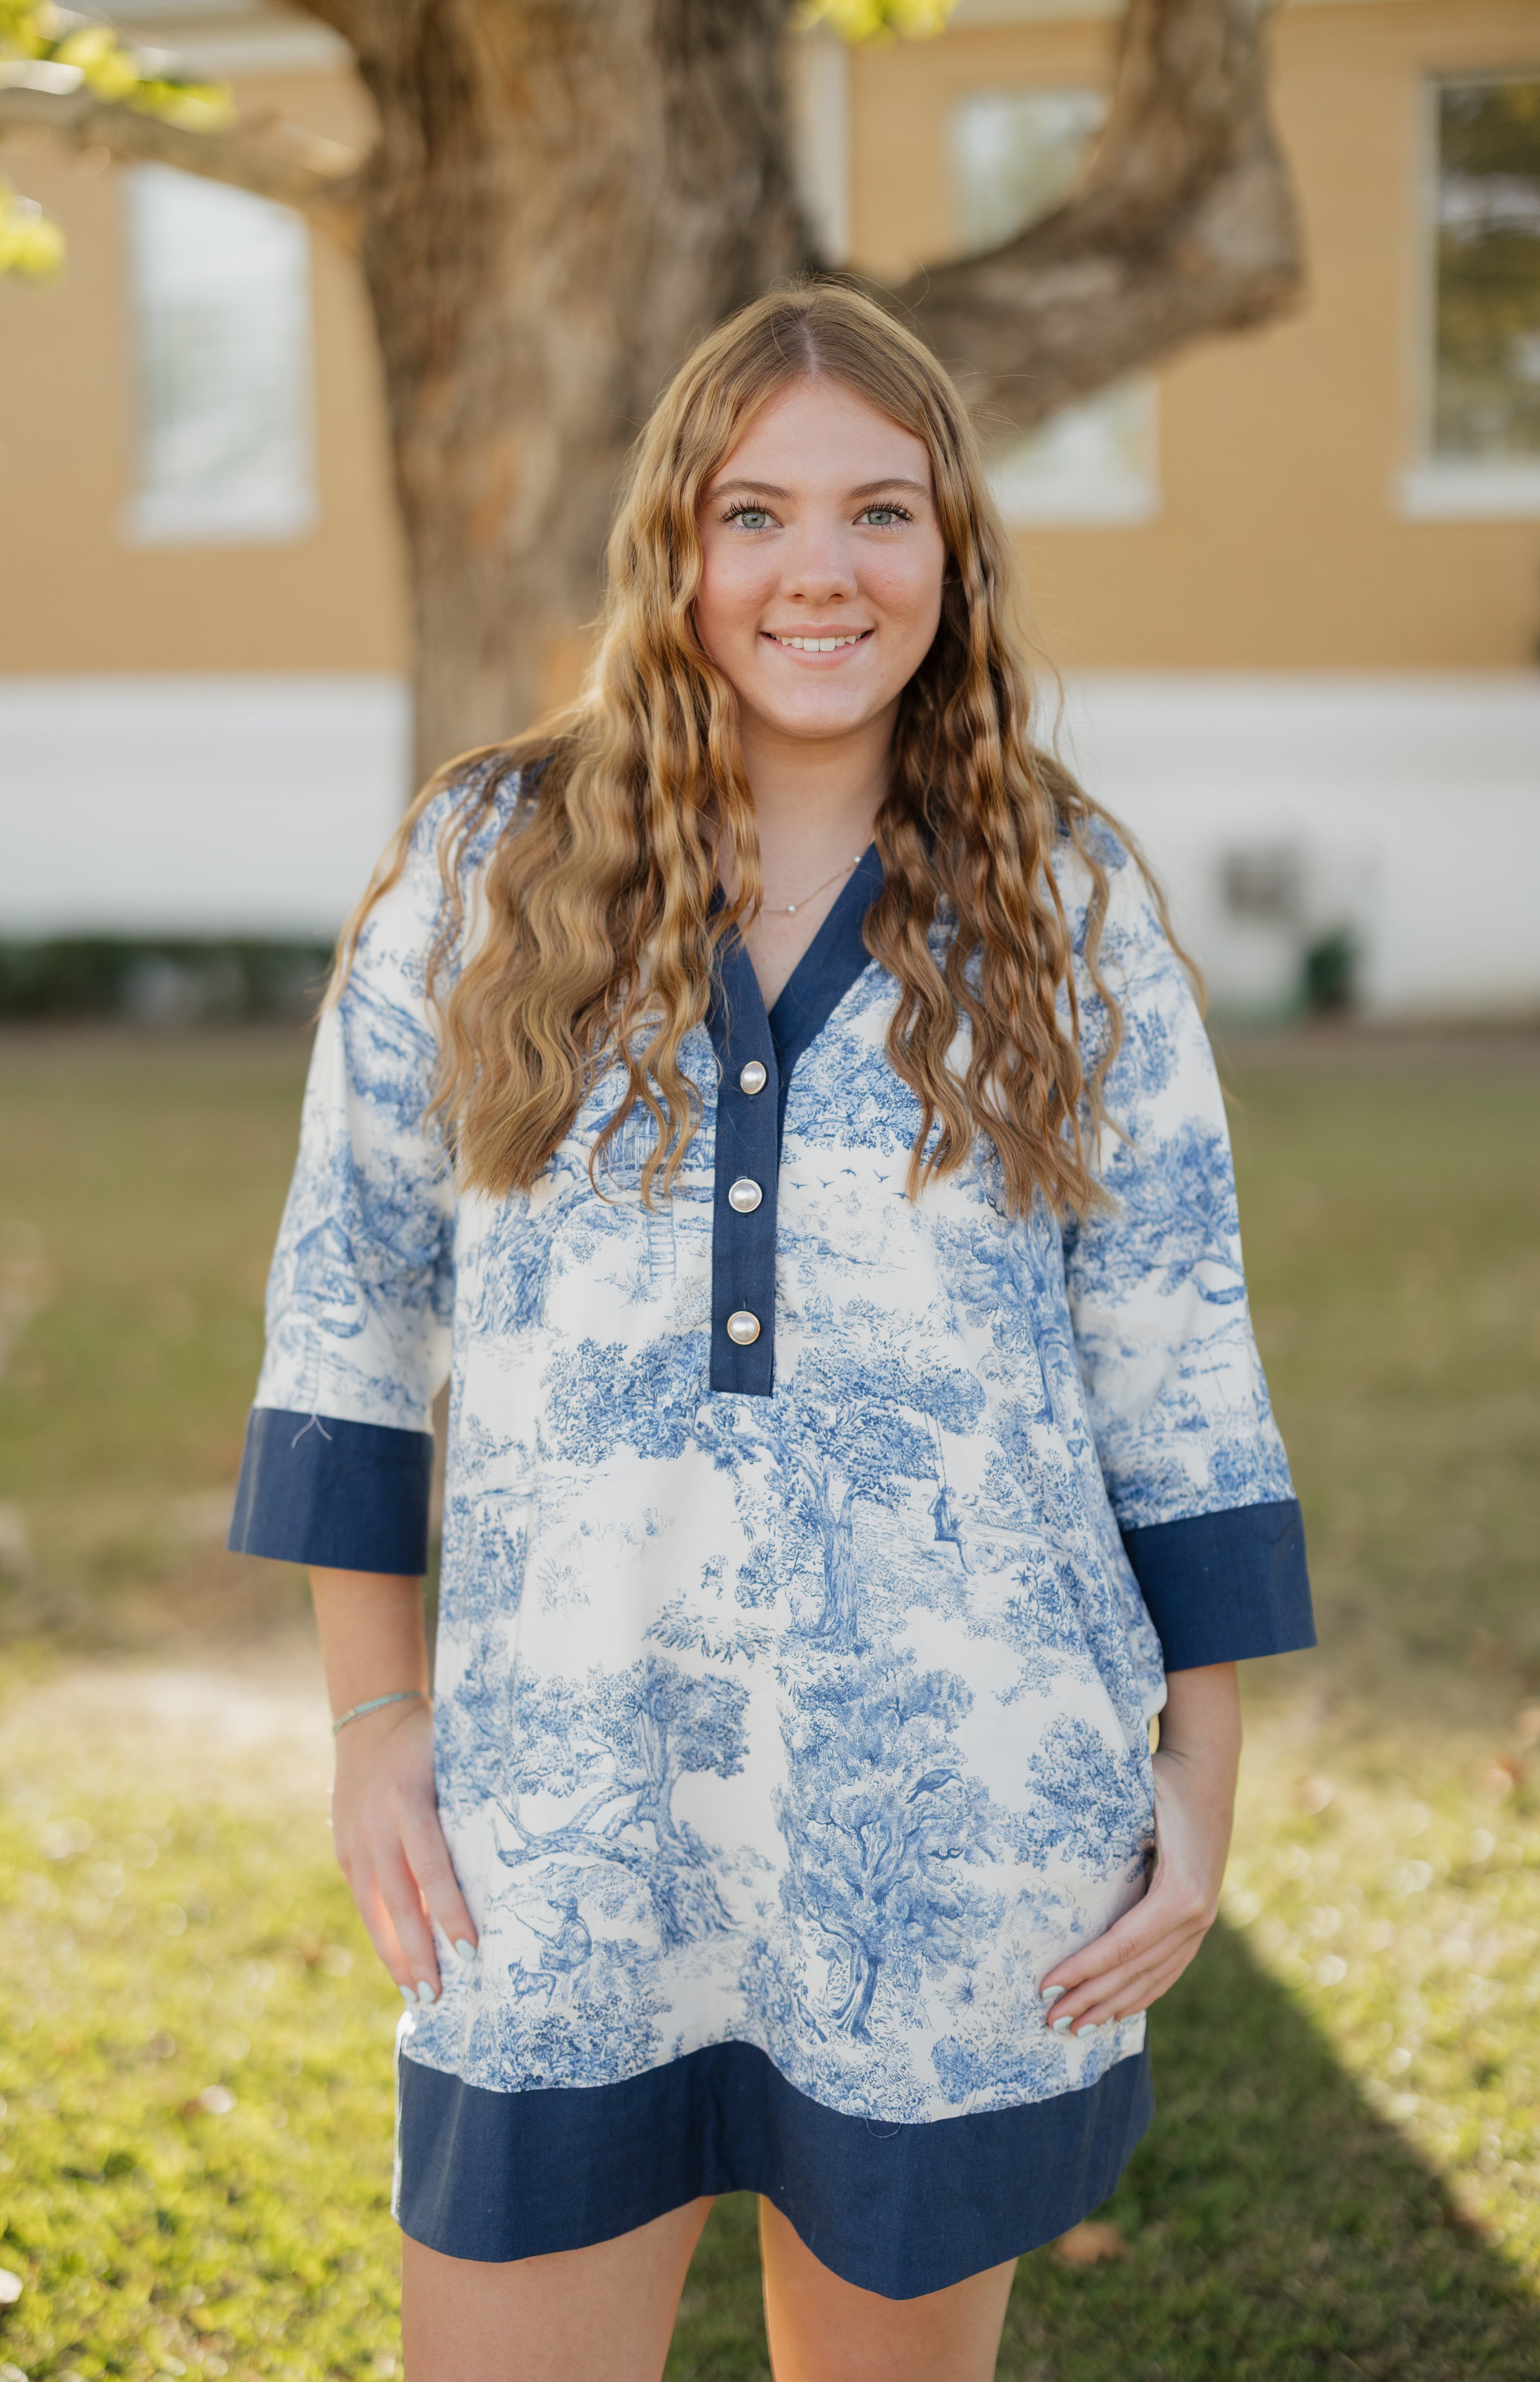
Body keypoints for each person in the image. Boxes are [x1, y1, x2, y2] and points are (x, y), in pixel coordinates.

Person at [229, 283, 1314, 2382]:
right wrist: (376, 1730)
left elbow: (1177, 1373)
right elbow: (349, 1317)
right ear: (677, 552)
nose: (821, 569)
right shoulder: (483, 874)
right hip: (558, 1804)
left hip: (965, 1814)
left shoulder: (1066, 907)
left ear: (954, 552)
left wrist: (1204, 1771)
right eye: (758, 513)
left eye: (882, 512)